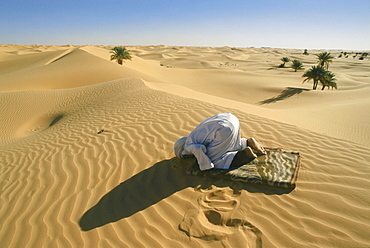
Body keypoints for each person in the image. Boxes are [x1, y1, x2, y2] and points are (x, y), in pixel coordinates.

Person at [174, 112, 266, 171]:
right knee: (232, 144)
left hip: (223, 129)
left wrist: (204, 166)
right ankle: (246, 142)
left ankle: (243, 155)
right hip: (231, 119)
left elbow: (198, 149)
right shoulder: (192, 136)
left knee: (213, 161)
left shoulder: (187, 146)